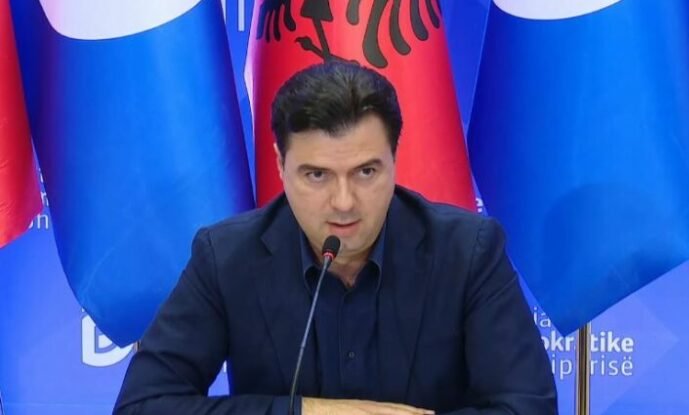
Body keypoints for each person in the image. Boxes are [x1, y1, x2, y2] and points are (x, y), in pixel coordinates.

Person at [114, 60, 557, 414]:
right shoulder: (226, 258)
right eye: (317, 175)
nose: (344, 202)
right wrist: (307, 411)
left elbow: (529, 407)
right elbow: (143, 405)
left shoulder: (468, 251)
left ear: (394, 160)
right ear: (280, 165)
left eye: (365, 172)